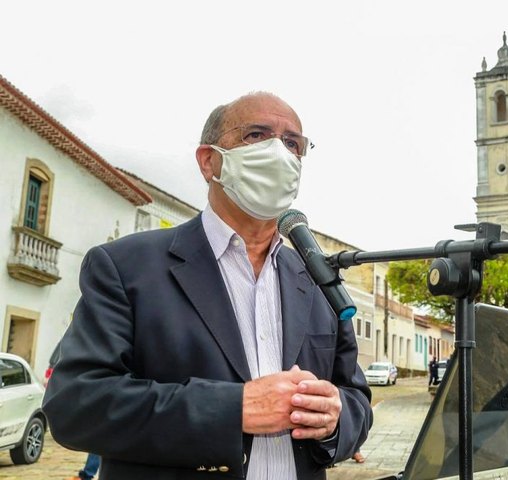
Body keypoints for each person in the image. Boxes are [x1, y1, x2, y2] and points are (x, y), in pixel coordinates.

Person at [43, 92, 373, 479]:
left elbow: (356, 401)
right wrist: (233, 409)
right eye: (256, 135)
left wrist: (335, 420)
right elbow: (75, 404)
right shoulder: (125, 267)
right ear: (208, 161)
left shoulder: (318, 279)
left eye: (292, 143)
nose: (279, 153)